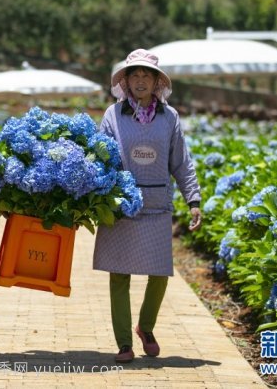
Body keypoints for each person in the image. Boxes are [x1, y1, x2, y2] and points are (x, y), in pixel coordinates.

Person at [93, 49, 202, 363]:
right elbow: (102, 157)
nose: (140, 80)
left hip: (156, 204)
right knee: (119, 274)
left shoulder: (170, 118)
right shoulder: (113, 115)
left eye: (146, 75)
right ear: (125, 81)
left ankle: (147, 326)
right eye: (134, 75)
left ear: (157, 82)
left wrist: (193, 199)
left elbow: (181, 162)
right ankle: (124, 342)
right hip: (121, 205)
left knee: (159, 273)